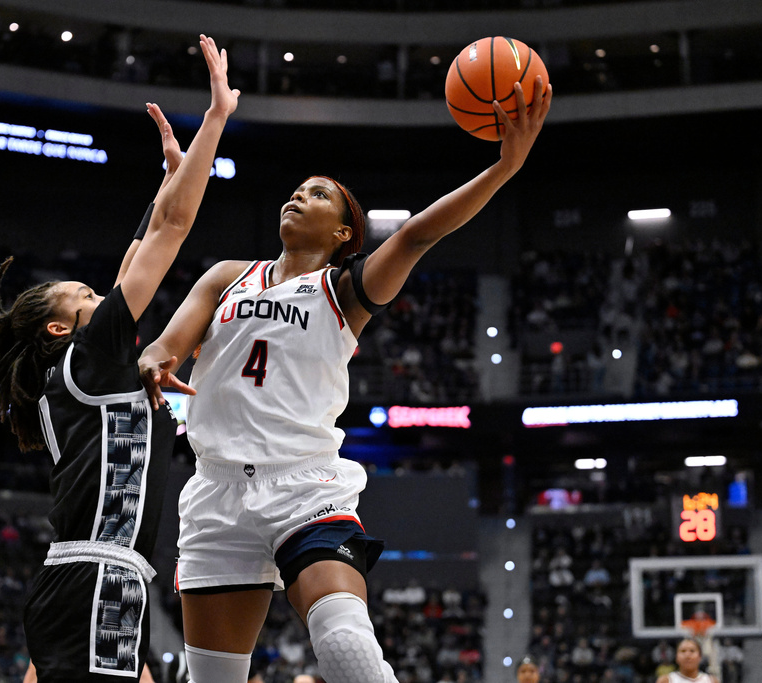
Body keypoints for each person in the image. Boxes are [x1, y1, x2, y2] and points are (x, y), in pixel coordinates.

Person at [138, 78, 551, 683]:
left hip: (304, 487)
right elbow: (166, 345)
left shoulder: (343, 290)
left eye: (319, 195)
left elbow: (417, 234)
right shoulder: (226, 274)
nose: (299, 197)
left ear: (342, 234)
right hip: (214, 492)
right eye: (298, 189)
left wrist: (503, 169)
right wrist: (153, 360)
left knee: (345, 648)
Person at [0, 34, 239, 683]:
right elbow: (168, 234)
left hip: (89, 577)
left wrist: (167, 180)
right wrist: (216, 119)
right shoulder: (87, 359)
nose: (104, 297)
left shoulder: (81, 369)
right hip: (98, 578)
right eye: (86, 296)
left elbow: (140, 251)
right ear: (61, 326)